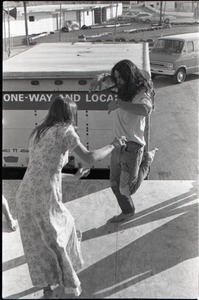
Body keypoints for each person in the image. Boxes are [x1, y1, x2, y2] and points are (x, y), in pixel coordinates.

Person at [15, 95, 126, 299]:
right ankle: (69, 283)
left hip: (25, 195)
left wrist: (74, 176)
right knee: (58, 235)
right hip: (43, 197)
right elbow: (90, 157)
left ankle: (47, 289)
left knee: (39, 242)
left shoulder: (39, 133)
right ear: (69, 114)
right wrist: (113, 145)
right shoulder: (66, 131)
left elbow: (46, 169)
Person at [89, 59, 158, 223]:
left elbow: (145, 109)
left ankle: (147, 161)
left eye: (121, 78)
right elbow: (109, 77)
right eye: (116, 78)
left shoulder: (141, 92)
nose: (117, 82)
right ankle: (128, 212)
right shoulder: (123, 84)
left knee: (127, 189)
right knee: (114, 184)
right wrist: (101, 77)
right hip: (118, 144)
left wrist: (118, 103)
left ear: (130, 77)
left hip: (133, 147)